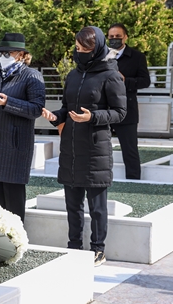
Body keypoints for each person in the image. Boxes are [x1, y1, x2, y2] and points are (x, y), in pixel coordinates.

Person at [41, 26, 127, 267]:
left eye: (84, 49)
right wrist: (54, 116)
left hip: (95, 150)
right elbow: (66, 107)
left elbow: (120, 113)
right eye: (77, 49)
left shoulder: (110, 75)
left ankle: (98, 249)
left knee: (97, 207)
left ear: (96, 49)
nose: (79, 53)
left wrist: (92, 117)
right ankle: (74, 246)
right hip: (71, 148)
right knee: (72, 205)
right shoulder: (73, 75)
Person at [0, 33, 46, 222]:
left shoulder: (31, 76)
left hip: (14, 147)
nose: (4, 56)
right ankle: (0, 243)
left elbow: (37, 109)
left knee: (13, 201)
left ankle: (17, 243)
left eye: (8, 52)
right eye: (1, 52)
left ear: (20, 54)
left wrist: (8, 103)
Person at [107, 23, 151, 179]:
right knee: (95, 147)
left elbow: (145, 81)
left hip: (127, 110)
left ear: (125, 37)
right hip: (103, 109)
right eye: (111, 37)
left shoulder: (137, 57)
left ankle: (133, 180)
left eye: (118, 36)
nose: (114, 39)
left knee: (130, 149)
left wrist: (125, 81)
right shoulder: (102, 57)